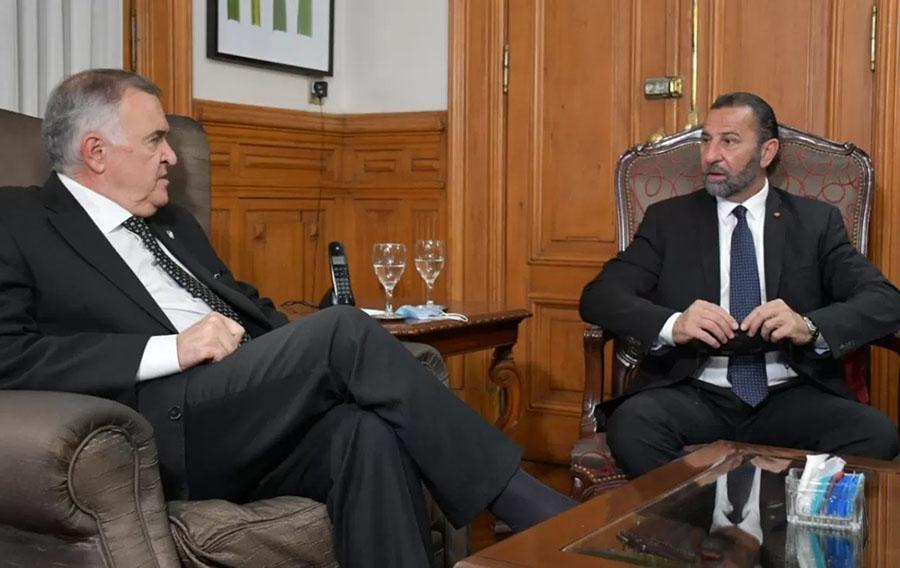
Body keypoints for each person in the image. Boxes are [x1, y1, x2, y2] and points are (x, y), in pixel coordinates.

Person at [0, 69, 573, 567]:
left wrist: (309, 336)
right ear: (97, 152)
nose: (171, 156)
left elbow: (246, 303)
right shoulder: (18, 219)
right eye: (155, 140)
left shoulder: (173, 224)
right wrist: (172, 349)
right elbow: (9, 354)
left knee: (366, 432)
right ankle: (530, 507)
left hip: (246, 403)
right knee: (345, 333)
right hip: (162, 423)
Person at [579, 92, 900, 478]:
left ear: (767, 152)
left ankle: (755, 509)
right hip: (693, 390)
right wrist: (673, 324)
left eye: (728, 141)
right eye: (706, 140)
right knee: (632, 426)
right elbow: (599, 295)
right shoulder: (669, 220)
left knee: (876, 435)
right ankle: (708, 510)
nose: (710, 155)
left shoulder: (815, 222)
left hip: (789, 392)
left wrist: (809, 326)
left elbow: (885, 300)